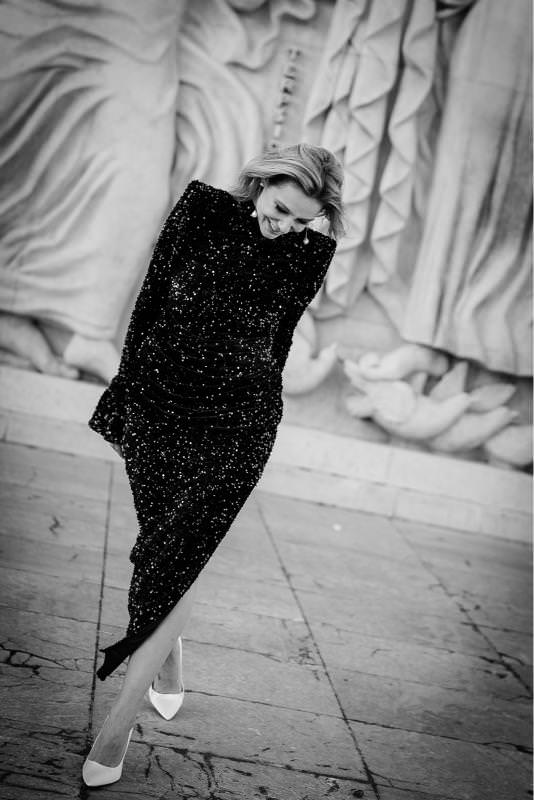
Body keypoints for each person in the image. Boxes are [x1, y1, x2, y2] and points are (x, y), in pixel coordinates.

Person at [83, 142, 344, 787]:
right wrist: (125, 395)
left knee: (177, 559)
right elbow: (147, 308)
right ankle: (167, 663)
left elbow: (276, 345)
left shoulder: (309, 255)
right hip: (158, 405)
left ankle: (116, 730)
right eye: (280, 208)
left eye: (302, 221)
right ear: (259, 184)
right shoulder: (199, 211)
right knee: (161, 555)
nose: (284, 227)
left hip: (235, 425)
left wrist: (307, 238)